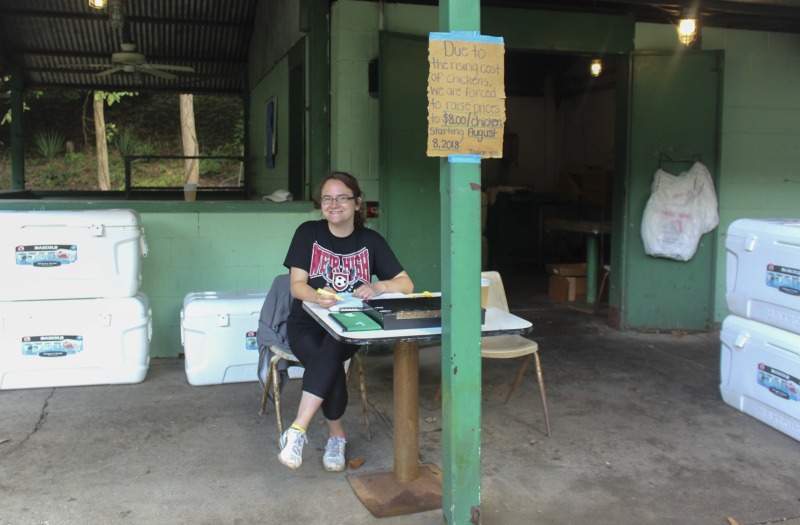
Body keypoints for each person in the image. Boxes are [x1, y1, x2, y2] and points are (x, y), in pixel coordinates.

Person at [279, 171, 413, 471]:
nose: (334, 204)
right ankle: (336, 436)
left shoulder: (370, 241)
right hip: (307, 324)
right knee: (329, 367)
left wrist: (379, 286)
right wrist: (317, 297)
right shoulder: (308, 233)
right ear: (321, 204)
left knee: (330, 354)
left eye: (342, 197)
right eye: (327, 198)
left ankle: (297, 430)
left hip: (351, 326)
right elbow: (296, 286)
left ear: (357, 203)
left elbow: (407, 284)